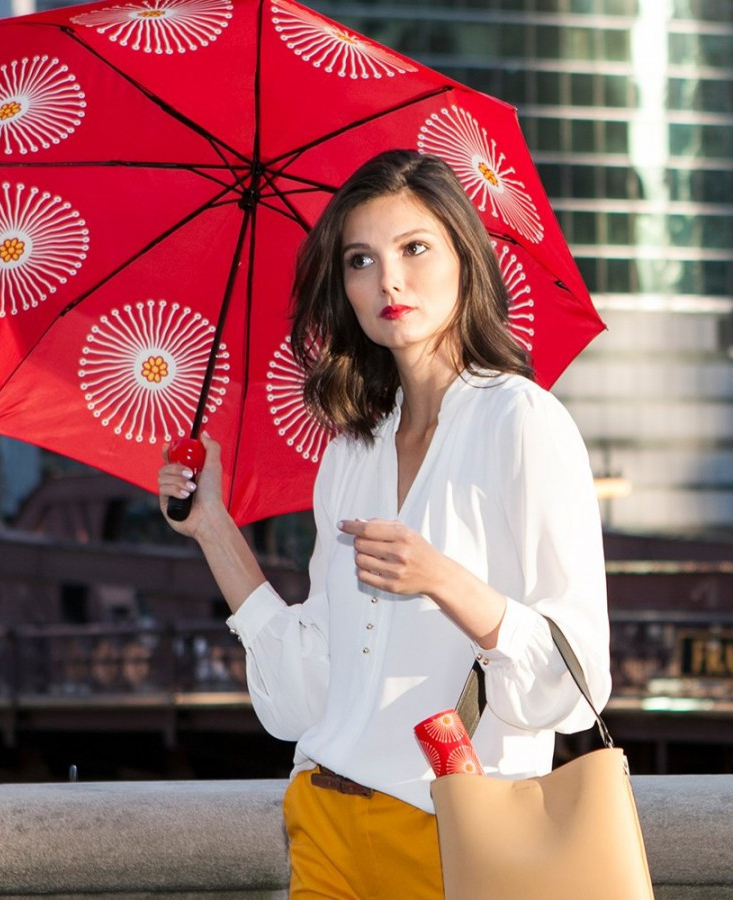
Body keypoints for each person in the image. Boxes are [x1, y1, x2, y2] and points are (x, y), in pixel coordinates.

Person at [158, 149, 611, 899]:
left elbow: (576, 679)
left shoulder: (522, 422)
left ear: (465, 258)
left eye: (414, 248)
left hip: (456, 834)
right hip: (325, 820)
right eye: (360, 260)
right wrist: (213, 528)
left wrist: (444, 581)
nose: (388, 281)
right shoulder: (352, 451)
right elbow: (308, 696)